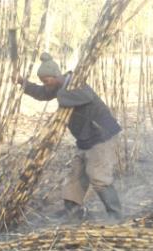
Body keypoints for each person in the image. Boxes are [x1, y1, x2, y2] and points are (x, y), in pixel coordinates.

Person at [17, 52, 122, 222]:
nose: (46, 85)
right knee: (76, 175)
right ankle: (72, 212)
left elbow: (84, 96)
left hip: (101, 135)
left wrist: (59, 96)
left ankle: (115, 215)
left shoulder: (75, 82)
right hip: (85, 139)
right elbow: (43, 93)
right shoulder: (59, 86)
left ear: (55, 76)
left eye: (46, 81)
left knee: (98, 176)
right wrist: (23, 83)